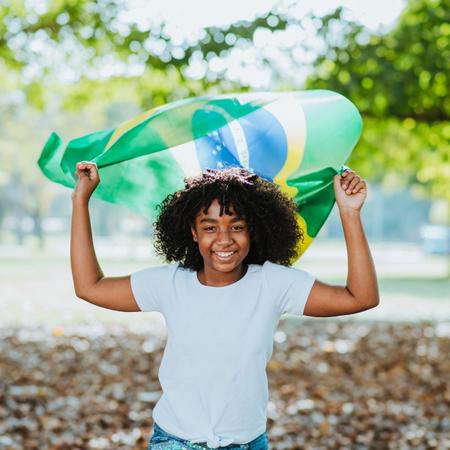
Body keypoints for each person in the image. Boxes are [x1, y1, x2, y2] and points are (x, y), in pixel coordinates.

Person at [71, 162, 379, 450]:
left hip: (248, 442)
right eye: (209, 227)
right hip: (175, 441)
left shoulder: (273, 284)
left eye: (236, 226)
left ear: (252, 230)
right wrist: (80, 202)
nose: (224, 239)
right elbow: (90, 286)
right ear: (193, 232)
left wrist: (350, 213)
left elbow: (361, 297)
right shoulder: (170, 283)